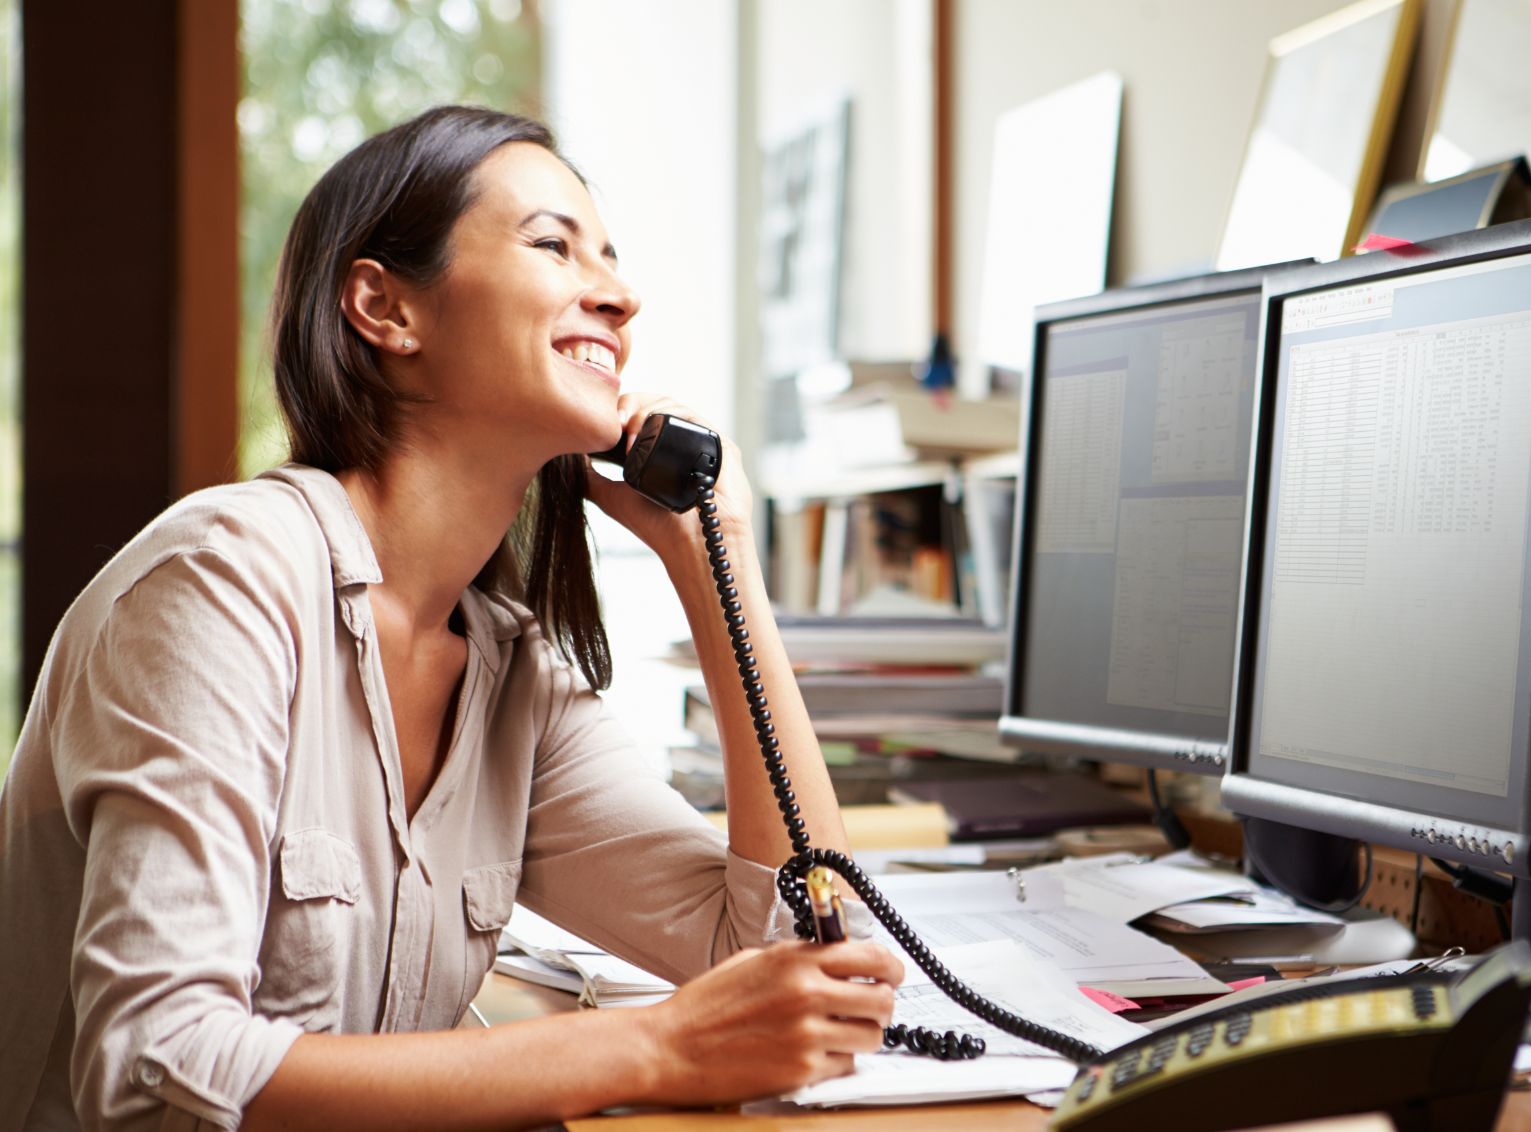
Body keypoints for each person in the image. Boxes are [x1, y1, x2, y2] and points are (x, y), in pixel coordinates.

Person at [0, 105, 903, 1131]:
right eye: (553, 246)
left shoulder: (509, 671)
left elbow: (803, 961)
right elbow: (156, 1061)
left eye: (610, 257)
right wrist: (647, 1045)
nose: (619, 293)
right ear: (386, 310)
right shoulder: (220, 585)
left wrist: (716, 558)